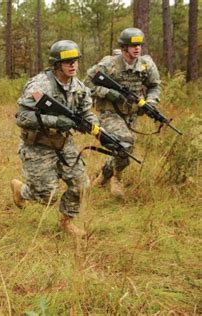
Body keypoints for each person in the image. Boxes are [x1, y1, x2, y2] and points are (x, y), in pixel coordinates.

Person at [10, 40, 99, 238]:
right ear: (56, 64)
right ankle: (21, 190)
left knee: (81, 185)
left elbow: (86, 112)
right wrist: (55, 121)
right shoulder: (40, 86)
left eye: (75, 61)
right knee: (47, 196)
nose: (73, 65)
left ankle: (66, 222)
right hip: (37, 145)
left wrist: (96, 127)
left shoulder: (79, 87)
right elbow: (22, 117)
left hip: (64, 143)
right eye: (67, 61)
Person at [85, 28, 161, 199]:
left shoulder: (146, 64)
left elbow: (154, 86)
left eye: (139, 45)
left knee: (125, 149)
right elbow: (87, 82)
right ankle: (117, 179)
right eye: (132, 45)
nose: (137, 48)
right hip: (110, 114)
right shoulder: (109, 64)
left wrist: (150, 102)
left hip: (132, 115)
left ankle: (104, 176)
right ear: (124, 47)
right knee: (125, 143)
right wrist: (106, 92)